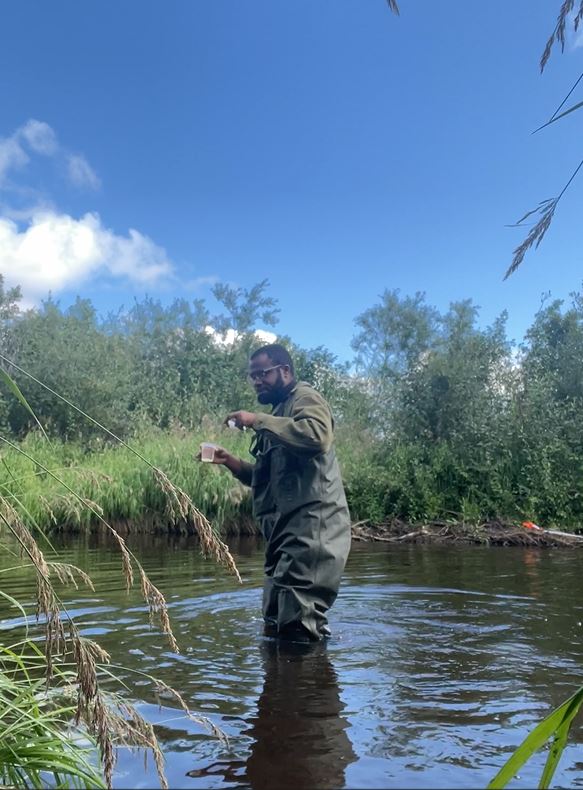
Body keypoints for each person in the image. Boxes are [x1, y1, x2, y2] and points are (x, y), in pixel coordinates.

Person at [203, 343, 351, 641]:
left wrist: (256, 420)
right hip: (284, 537)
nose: (257, 380)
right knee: (275, 623)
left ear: (285, 371)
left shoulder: (305, 398)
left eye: (263, 373)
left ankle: (307, 686)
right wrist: (229, 461)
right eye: (252, 376)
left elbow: (317, 436)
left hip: (312, 532)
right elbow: (266, 479)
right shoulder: (281, 413)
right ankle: (283, 686)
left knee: (299, 631)